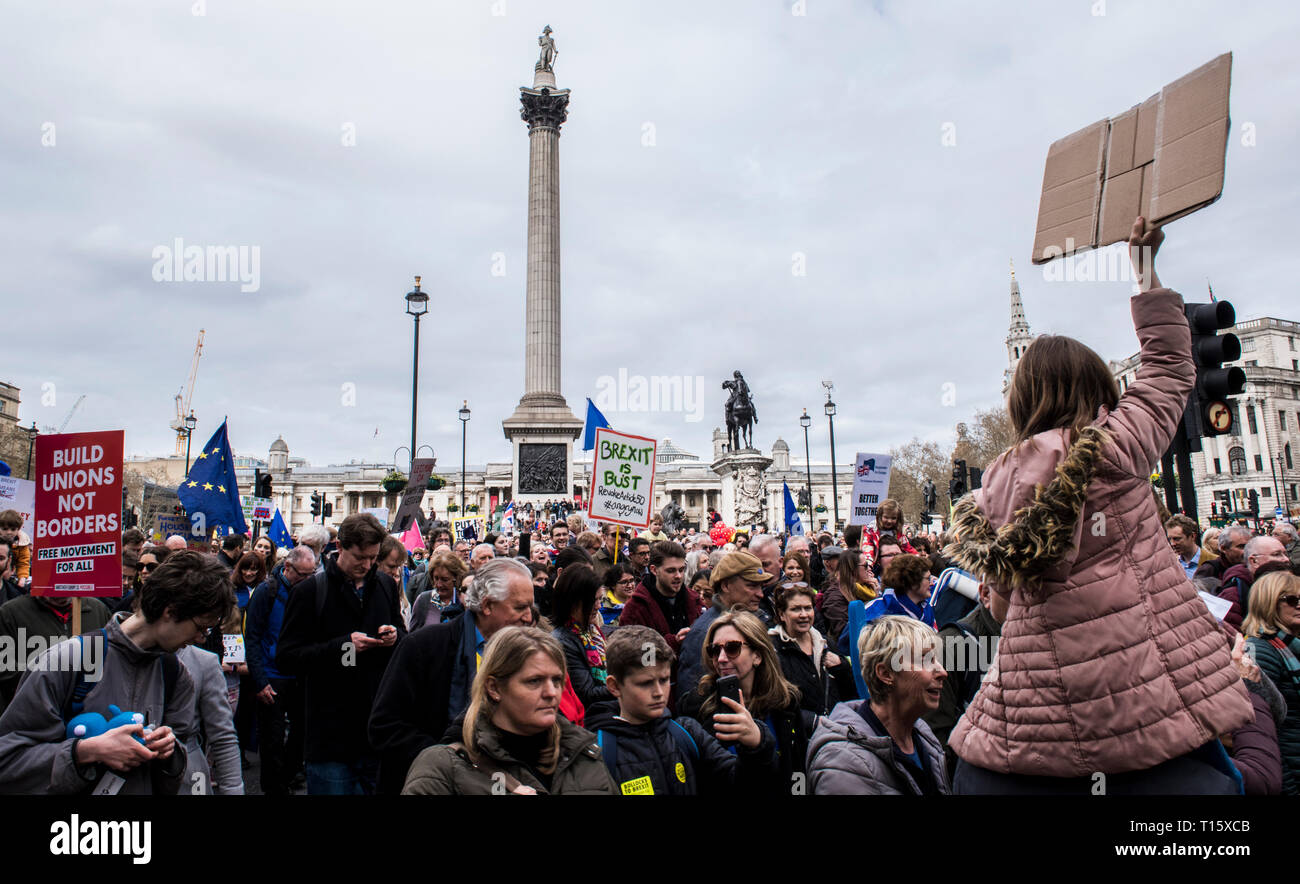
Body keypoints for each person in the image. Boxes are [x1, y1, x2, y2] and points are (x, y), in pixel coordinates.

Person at [942, 217, 1252, 794]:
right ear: (1096, 388)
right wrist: (1143, 271)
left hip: (1027, 716)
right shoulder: (1116, 445)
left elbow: (1006, 609)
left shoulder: (994, 486)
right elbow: (1169, 366)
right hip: (1142, 697)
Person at [0, 550, 231, 794]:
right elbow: (8, 761)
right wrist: (86, 752)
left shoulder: (175, 674)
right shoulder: (67, 660)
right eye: (200, 628)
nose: (200, 639)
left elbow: (175, 772)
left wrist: (170, 754)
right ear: (170, 611)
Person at [368, 558, 535, 794]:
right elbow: (384, 727)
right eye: (520, 608)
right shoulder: (423, 647)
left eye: (531, 607)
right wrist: (451, 760)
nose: (529, 617)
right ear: (487, 606)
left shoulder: (527, 653)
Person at [276, 513, 405, 795]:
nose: (367, 565)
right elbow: (287, 656)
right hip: (330, 735)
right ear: (341, 547)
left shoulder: (383, 584)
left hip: (375, 729)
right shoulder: (311, 591)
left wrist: (394, 637)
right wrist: (344, 647)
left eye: (373, 557)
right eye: (360, 557)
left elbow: (403, 636)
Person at [401, 627, 617, 795]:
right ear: (494, 688)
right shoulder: (443, 767)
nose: (551, 692)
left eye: (557, 680)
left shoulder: (584, 752)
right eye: (534, 681)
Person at [585, 626, 777, 795]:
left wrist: (756, 745)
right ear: (614, 686)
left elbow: (739, 783)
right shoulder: (599, 750)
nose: (659, 693)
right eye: (645, 684)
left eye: (664, 680)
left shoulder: (686, 733)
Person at [807, 616, 951, 795]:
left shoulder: (922, 734)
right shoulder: (844, 764)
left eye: (937, 660)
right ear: (885, 673)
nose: (942, 672)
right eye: (925, 660)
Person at [678, 610, 811, 794]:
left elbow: (798, 768)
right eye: (715, 650)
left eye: (733, 648)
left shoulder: (785, 701)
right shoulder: (697, 706)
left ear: (757, 655)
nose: (722, 658)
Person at [245, 545, 315, 795]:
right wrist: (259, 680)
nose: (307, 580)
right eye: (302, 574)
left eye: (312, 574)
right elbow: (252, 637)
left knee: (301, 734)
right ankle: (274, 789)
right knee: (272, 740)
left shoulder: (310, 593)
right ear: (287, 567)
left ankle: (286, 778)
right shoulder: (267, 592)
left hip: (299, 676)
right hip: (271, 676)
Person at [925, 577, 1001, 777]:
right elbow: (937, 739)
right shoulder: (953, 643)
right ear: (986, 594)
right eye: (1016, 587)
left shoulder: (1046, 633)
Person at [0, 579, 112, 711]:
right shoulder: (10, 613)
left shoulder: (98, 610)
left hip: (87, 715)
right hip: (34, 713)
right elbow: (5, 671)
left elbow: (111, 661)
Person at [675, 551, 765, 699]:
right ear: (726, 586)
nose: (760, 594)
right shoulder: (704, 633)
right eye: (752, 586)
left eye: (761, 587)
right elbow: (692, 698)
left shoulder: (756, 619)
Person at [1242, 571, 1300, 794]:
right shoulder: (1260, 651)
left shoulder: (1291, 644)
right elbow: (1264, 728)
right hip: (1289, 768)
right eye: (1291, 600)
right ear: (1268, 603)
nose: (1298, 605)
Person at [768, 583, 855, 716]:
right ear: (781, 614)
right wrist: (812, 721)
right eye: (796, 609)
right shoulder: (773, 649)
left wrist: (841, 666)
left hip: (836, 727)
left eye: (808, 608)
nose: (804, 615)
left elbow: (849, 692)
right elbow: (775, 703)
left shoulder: (826, 644)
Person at [175, 638, 244, 795]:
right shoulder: (107, 648)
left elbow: (224, 737)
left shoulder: (203, 661)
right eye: (201, 626)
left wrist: (233, 789)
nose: (204, 634)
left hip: (190, 773)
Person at [619, 542, 704, 660]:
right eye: (671, 571)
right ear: (654, 570)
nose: (678, 576)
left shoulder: (694, 600)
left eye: (681, 569)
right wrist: (673, 643)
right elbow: (636, 658)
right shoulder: (636, 609)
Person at [549, 564, 613, 709]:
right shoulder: (564, 642)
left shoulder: (592, 631)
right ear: (573, 602)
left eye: (600, 600)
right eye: (592, 601)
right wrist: (624, 686)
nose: (598, 606)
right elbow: (586, 693)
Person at [1219, 536, 1292, 631]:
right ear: (1254, 561)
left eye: (1285, 554)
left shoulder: (1290, 584)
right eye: (1276, 554)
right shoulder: (1233, 595)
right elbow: (1232, 635)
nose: (1286, 559)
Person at [409, 551, 469, 630]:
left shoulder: (464, 601)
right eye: (436, 578)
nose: (439, 584)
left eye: (445, 579)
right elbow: (413, 636)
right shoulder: (423, 600)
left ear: (457, 578)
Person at [376, 535, 414, 628]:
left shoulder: (393, 593)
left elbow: (402, 630)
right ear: (376, 561)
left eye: (398, 567)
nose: (395, 572)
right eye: (391, 566)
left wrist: (394, 635)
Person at [1165, 514, 1209, 580]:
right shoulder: (1170, 565)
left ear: (1192, 536)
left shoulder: (1212, 561)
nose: (1172, 544)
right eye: (1169, 539)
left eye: (1177, 539)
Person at [598, 562, 638, 631]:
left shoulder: (639, 603)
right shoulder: (601, 607)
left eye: (631, 580)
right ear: (613, 585)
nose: (630, 585)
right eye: (624, 582)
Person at [0, 511, 31, 586]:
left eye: (13, 529)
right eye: (5, 529)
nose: (9, 532)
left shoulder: (22, 544)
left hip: (12, 576)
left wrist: (22, 579)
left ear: (18, 529)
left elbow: (23, 563)